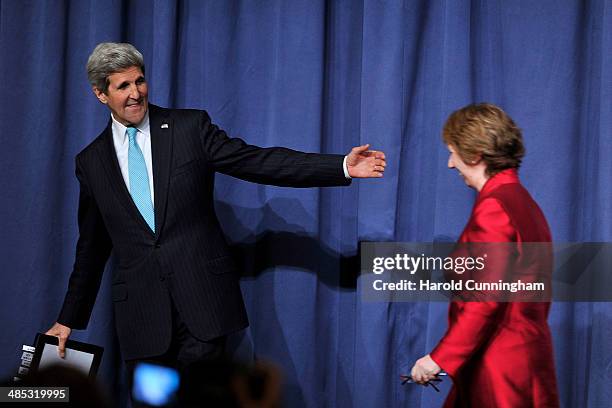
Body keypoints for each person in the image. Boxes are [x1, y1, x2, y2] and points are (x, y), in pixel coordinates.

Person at [45, 42, 386, 370]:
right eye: (123, 86)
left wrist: (340, 165)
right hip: (143, 320)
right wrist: (68, 319)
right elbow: (91, 248)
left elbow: (257, 161)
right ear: (100, 94)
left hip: (203, 310)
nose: (136, 93)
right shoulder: (90, 162)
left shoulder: (189, 128)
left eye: (140, 81)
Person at [410, 103, 559, 407]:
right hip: (525, 358)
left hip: (499, 365)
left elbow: (485, 298)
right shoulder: (523, 202)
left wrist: (439, 358)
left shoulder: (494, 206)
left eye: (453, 152)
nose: (451, 164)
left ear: (475, 154)